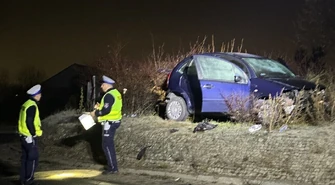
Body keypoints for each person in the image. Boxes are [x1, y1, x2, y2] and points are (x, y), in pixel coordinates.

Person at [91, 75, 122, 174]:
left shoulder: (109, 95)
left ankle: (112, 168)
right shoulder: (116, 93)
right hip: (114, 121)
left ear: (107, 85)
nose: (101, 87)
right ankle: (112, 167)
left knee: (107, 145)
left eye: (102, 85)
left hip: (109, 123)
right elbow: (112, 107)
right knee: (108, 145)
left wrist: (95, 113)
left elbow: (106, 110)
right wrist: (99, 107)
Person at [18, 84, 43, 185]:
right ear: (36, 95)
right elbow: (29, 121)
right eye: (40, 94)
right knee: (32, 159)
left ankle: (23, 180)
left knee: (25, 158)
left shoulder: (26, 104)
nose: (41, 96)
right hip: (29, 137)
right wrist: (33, 134)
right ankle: (29, 181)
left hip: (23, 135)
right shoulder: (32, 106)